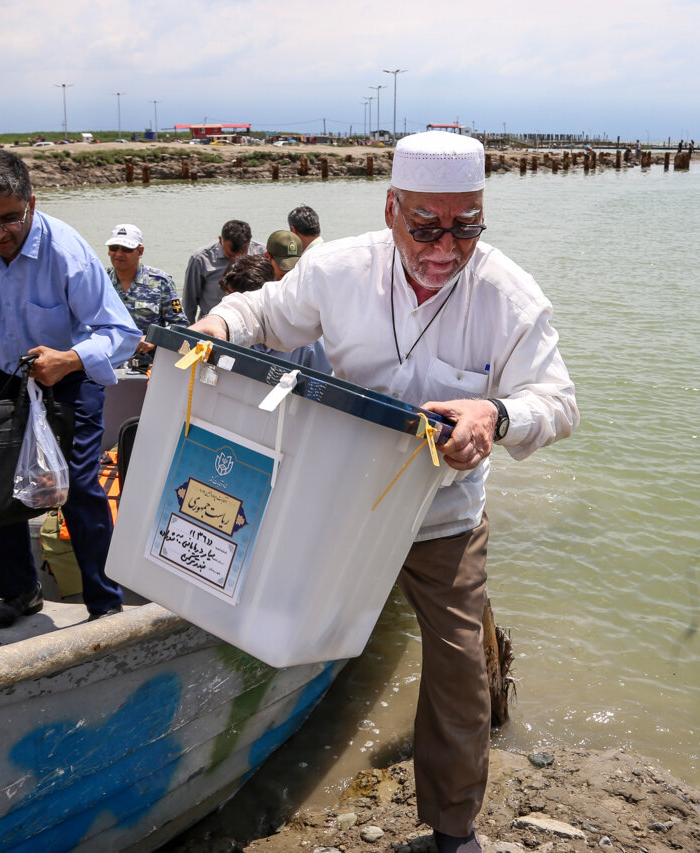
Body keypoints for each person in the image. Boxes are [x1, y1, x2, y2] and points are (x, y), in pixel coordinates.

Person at [191, 130, 578, 853]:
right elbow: (265, 315)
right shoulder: (338, 268)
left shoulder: (509, 294)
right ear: (391, 208)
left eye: (466, 226)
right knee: (261, 607)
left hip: (444, 515)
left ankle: (453, 829)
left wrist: (495, 415)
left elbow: (558, 402)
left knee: (459, 668)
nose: (444, 246)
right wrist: (216, 323)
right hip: (342, 499)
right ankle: (234, 757)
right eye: (425, 225)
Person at [0, 150, 139, 627]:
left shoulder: (67, 250)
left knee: (80, 487)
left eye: (10, 219)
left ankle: (104, 603)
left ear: (31, 202)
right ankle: (19, 592)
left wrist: (68, 359)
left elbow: (119, 333)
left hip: (68, 375)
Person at [219, 255, 331, 373]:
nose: (228, 307)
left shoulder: (307, 338)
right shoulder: (224, 331)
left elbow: (325, 385)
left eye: (238, 305)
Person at [104, 223, 185, 356]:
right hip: (107, 363)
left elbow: (180, 325)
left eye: (126, 249)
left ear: (140, 251)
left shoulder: (161, 283)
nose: (118, 253)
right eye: (113, 248)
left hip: (148, 367)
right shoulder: (100, 282)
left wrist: (154, 339)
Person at [181, 220, 265, 322]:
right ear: (221, 240)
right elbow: (189, 301)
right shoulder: (201, 259)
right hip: (212, 324)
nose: (235, 262)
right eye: (230, 255)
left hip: (251, 324)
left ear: (250, 240)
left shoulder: (263, 255)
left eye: (241, 256)